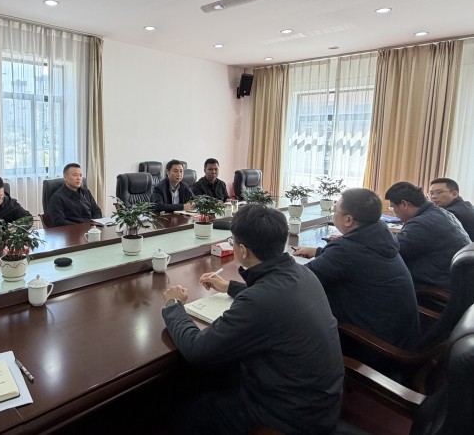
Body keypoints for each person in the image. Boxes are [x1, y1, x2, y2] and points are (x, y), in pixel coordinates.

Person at [161, 204, 343, 435]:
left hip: (289, 417)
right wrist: (230, 287)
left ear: (243, 251)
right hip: (319, 401)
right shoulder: (304, 273)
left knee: (187, 410)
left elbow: (197, 349)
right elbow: (274, 296)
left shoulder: (259, 301)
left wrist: (173, 305)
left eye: (233, 242)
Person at [294, 188, 420, 349]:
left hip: (374, 346)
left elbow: (300, 281)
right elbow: (358, 260)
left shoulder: (346, 250)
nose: (333, 214)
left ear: (348, 220)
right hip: (399, 336)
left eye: (335, 210)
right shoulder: (380, 236)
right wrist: (320, 252)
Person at [385, 181, 470, 291]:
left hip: (436, 286)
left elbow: (393, 252)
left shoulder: (422, 223)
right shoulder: (439, 213)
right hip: (454, 280)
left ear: (404, 204)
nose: (394, 213)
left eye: (393, 207)